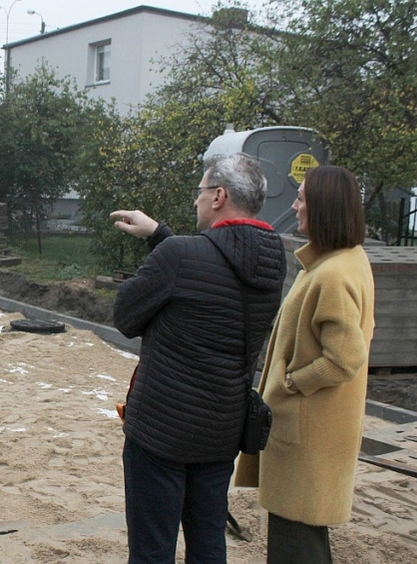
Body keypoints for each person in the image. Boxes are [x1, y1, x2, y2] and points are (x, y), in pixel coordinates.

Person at [110, 152, 286, 563]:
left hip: (160, 433)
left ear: (219, 196)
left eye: (201, 191)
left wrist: (163, 247)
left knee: (152, 549)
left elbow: (125, 316)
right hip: (221, 431)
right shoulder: (272, 261)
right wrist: (161, 234)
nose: (197, 201)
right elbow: (216, 267)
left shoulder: (180, 258)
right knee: (208, 544)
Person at [243, 165, 375, 564]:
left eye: (302, 198)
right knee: (304, 537)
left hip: (309, 434)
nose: (296, 205)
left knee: (295, 541)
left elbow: (345, 357)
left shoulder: (332, 274)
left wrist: (292, 381)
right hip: (317, 430)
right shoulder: (344, 261)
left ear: (323, 208)